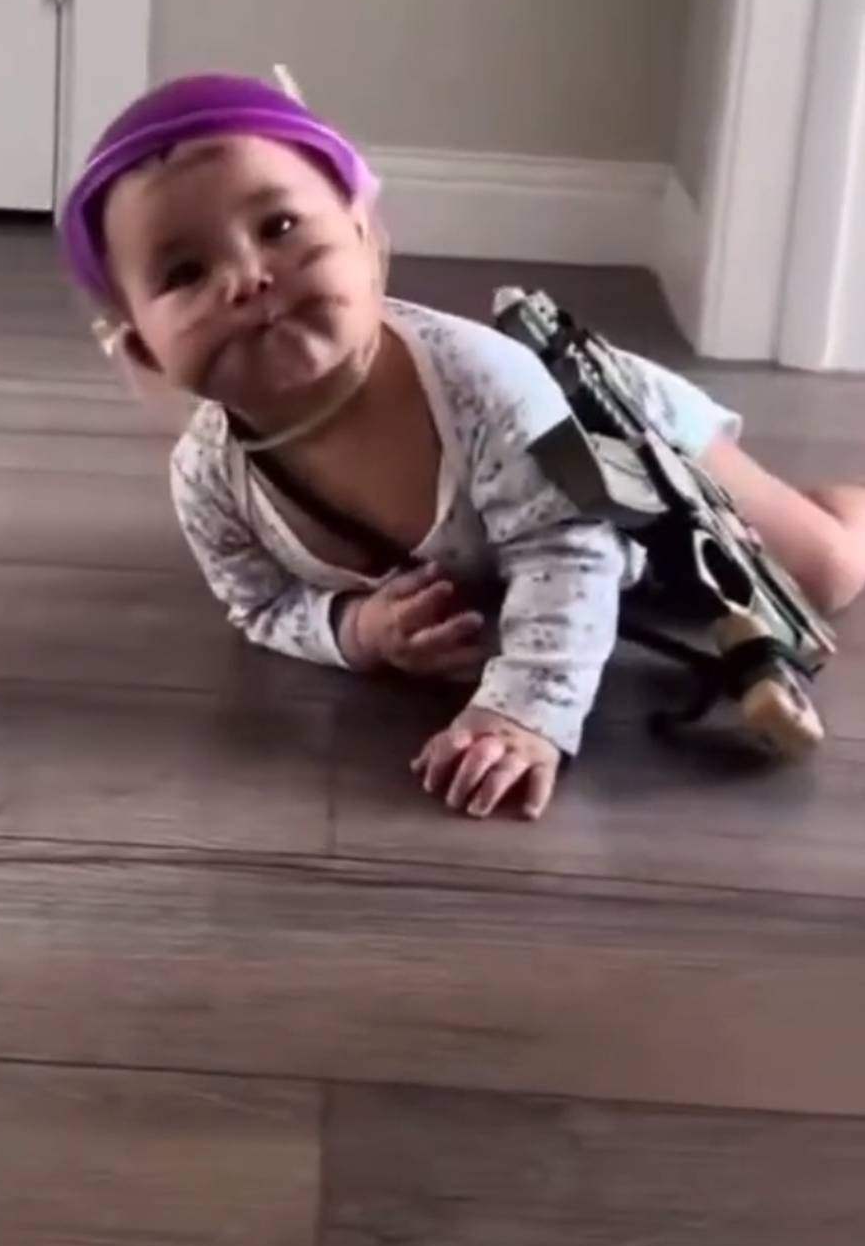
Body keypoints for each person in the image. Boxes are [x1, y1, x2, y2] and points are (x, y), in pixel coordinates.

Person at [59, 73, 865, 821]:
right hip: (525, 539)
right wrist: (356, 630)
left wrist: (525, 712)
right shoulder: (208, 477)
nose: (248, 277)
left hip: (619, 437)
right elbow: (262, 605)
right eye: (184, 272)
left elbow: (570, 545)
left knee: (823, 573)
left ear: (364, 237)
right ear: (144, 351)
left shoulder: (484, 386)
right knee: (636, 592)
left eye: (279, 227)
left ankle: (843, 504)